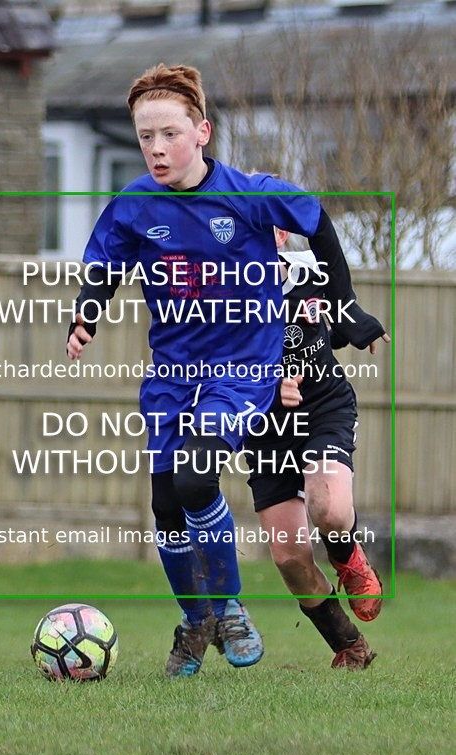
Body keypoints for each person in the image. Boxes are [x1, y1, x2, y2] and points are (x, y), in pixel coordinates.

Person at [66, 63, 385, 677]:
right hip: (173, 374)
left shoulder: (248, 195)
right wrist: (86, 314)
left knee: (194, 480)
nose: (157, 148)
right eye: (144, 137)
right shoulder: (135, 205)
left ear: (203, 131)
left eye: (170, 134)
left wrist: (345, 307)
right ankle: (196, 620)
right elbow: (104, 263)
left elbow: (318, 221)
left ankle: (231, 607)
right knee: (166, 504)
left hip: (243, 370)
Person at [244, 228, 389, 669]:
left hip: (323, 407)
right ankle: (348, 644)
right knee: (290, 557)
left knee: (330, 510)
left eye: (262, 222)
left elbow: (338, 319)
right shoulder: (224, 291)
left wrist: (358, 327)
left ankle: (348, 558)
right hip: (265, 426)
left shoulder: (311, 268)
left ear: (282, 233)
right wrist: (269, 388)